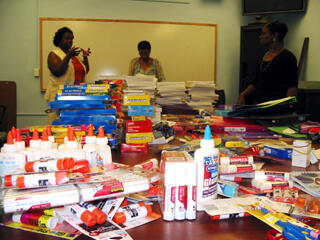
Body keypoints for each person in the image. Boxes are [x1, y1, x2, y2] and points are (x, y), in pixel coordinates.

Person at [237, 21, 298, 105]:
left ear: (275, 36)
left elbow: (292, 86)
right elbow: (256, 83)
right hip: (261, 105)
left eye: (264, 33)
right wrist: (242, 94)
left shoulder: (288, 57)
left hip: (277, 108)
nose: (260, 36)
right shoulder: (262, 56)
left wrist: (289, 107)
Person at [45, 27, 91, 123]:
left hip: (77, 98)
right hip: (59, 98)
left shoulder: (75, 55)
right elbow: (58, 71)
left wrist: (85, 58)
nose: (70, 41)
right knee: (59, 127)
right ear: (59, 40)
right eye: (67, 38)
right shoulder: (54, 54)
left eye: (72, 38)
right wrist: (68, 56)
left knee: (75, 127)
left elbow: (84, 71)